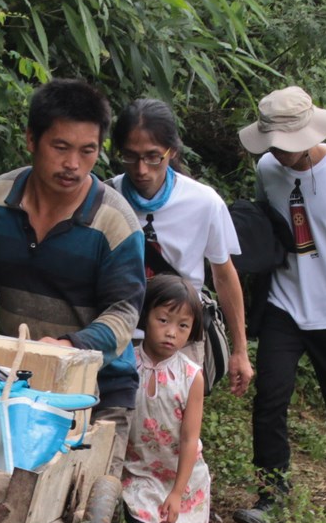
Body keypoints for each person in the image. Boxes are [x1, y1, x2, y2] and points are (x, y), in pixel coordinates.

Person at [232, 86, 326, 523]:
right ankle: (272, 497)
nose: (278, 153)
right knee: (269, 399)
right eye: (272, 145)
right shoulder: (267, 168)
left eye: (285, 145)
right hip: (284, 302)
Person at [0, 78, 146, 456]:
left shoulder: (116, 224)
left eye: (87, 151)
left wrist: (67, 347)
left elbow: (124, 315)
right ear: (32, 139)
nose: (72, 165)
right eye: (60, 147)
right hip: (15, 382)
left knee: (83, 508)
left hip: (97, 392)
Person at [108, 99, 255, 396]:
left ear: (172, 151)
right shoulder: (106, 197)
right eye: (130, 156)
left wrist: (240, 350)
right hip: (117, 338)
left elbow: (224, 275)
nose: (141, 169)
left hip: (179, 343)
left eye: (153, 157)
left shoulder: (203, 202)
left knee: (175, 436)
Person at [122, 275, 212, 523]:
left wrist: (177, 490)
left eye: (183, 325)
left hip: (183, 473)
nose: (171, 332)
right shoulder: (126, 364)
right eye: (163, 320)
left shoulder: (191, 375)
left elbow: (190, 438)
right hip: (139, 472)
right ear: (146, 317)